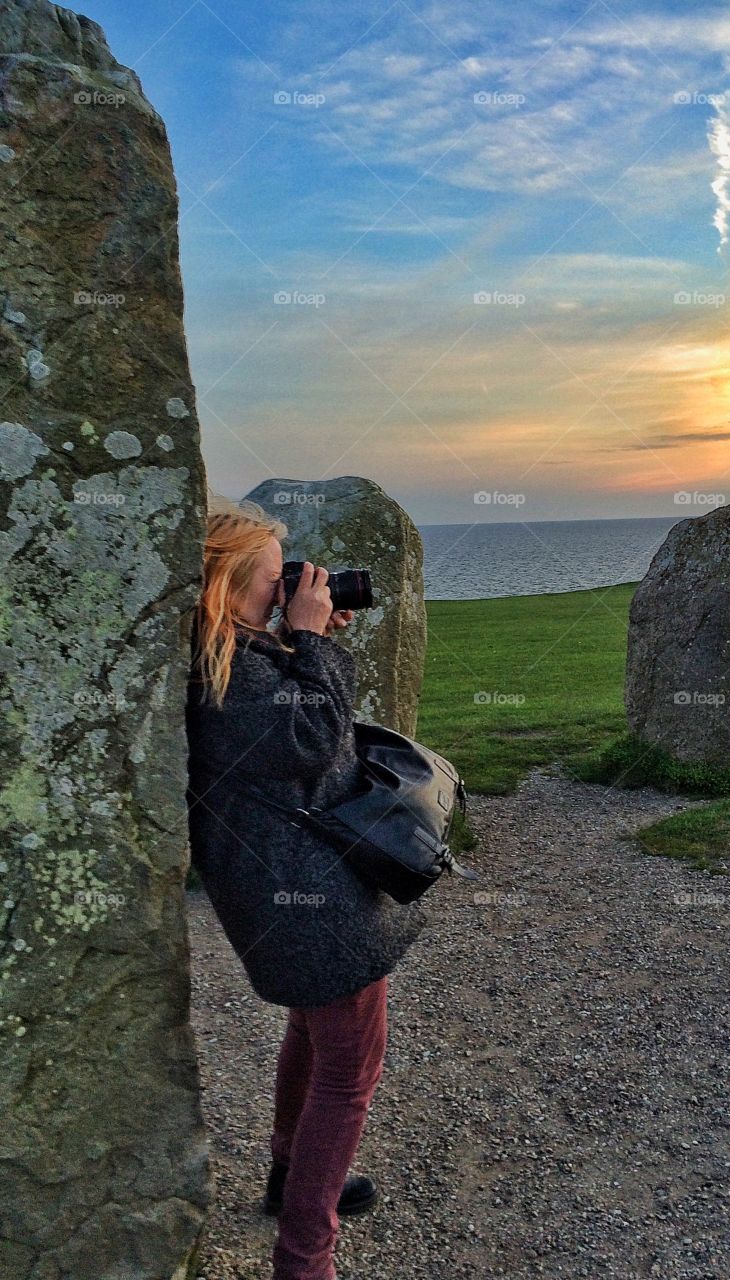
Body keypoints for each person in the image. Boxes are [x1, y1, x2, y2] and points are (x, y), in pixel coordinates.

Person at [184, 495, 427, 1280]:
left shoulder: (232, 654)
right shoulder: (231, 677)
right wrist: (313, 640)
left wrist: (303, 640)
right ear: (226, 589)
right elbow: (318, 736)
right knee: (349, 1075)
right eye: (271, 579)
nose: (288, 588)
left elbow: (306, 724)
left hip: (282, 896)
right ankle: (305, 1257)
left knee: (312, 1035)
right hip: (313, 902)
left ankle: (290, 1174)